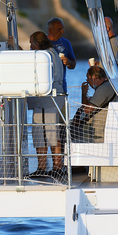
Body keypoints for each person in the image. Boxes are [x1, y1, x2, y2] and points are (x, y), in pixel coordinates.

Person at [26, 31, 66, 179]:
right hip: (43, 100)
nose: (30, 46)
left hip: (50, 99)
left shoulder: (47, 55)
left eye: (31, 43)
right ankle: (42, 167)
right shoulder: (49, 53)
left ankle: (57, 167)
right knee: (39, 135)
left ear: (37, 43)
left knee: (52, 134)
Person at [71, 66, 118, 143]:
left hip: (97, 126)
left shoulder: (103, 89)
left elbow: (86, 110)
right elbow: (86, 107)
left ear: (93, 77)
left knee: (67, 131)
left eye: (88, 78)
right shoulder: (108, 85)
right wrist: (85, 95)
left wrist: (83, 93)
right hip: (104, 121)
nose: (87, 81)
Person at [46, 17, 76, 94]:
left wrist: (68, 62)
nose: (62, 31)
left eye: (63, 28)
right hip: (44, 87)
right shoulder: (42, 42)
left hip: (61, 87)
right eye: (59, 29)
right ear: (50, 30)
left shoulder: (66, 43)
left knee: (62, 106)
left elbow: (73, 64)